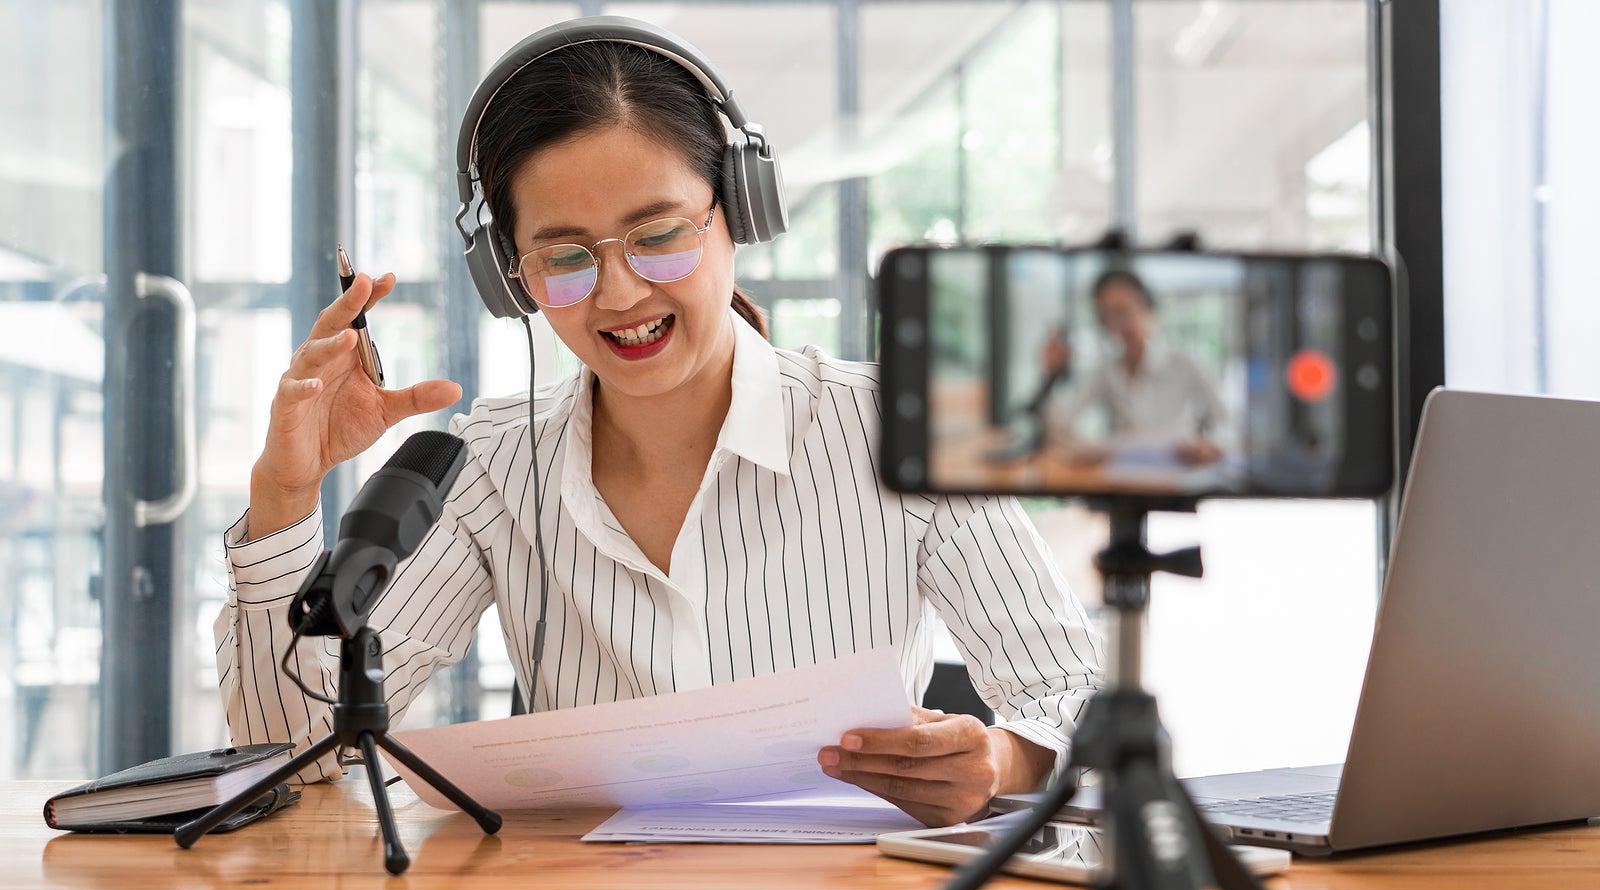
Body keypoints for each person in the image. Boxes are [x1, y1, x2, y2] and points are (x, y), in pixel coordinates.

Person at [215, 17, 1104, 829]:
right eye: (563, 256)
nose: (619, 291)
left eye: (660, 234)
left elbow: (1079, 698)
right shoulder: (487, 463)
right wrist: (285, 493)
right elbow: (295, 751)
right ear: (509, 276)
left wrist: (1000, 757)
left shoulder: (898, 425)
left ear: (739, 212)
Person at [1043, 269, 1232, 470]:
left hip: (1179, 476)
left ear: (1146, 306)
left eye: (1127, 309)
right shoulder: (1105, 370)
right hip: (1124, 479)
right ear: (1103, 321)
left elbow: (1228, 423)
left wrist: (1211, 445)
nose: (1124, 322)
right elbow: (1060, 424)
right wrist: (1051, 374)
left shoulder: (1185, 362)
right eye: (1112, 314)